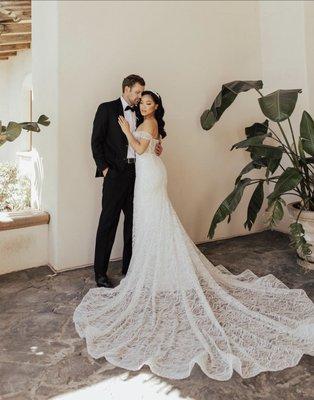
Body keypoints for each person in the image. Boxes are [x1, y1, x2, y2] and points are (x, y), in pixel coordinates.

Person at [74, 91, 314, 381]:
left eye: (148, 101)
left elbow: (139, 149)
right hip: (144, 174)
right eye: (141, 99)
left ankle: (159, 270)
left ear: (156, 106)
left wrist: (128, 132)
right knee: (147, 223)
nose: (143, 103)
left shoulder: (146, 122)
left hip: (149, 176)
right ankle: (147, 268)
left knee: (154, 220)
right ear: (130, 94)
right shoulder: (139, 118)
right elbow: (137, 146)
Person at [91, 74, 163, 288]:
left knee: (134, 223)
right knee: (108, 222)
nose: (140, 98)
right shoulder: (106, 109)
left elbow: (153, 137)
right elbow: (96, 142)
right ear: (126, 89)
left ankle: (130, 268)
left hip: (139, 174)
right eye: (137, 92)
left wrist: (157, 147)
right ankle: (100, 274)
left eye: (142, 93)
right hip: (114, 175)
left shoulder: (143, 112)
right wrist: (105, 169)